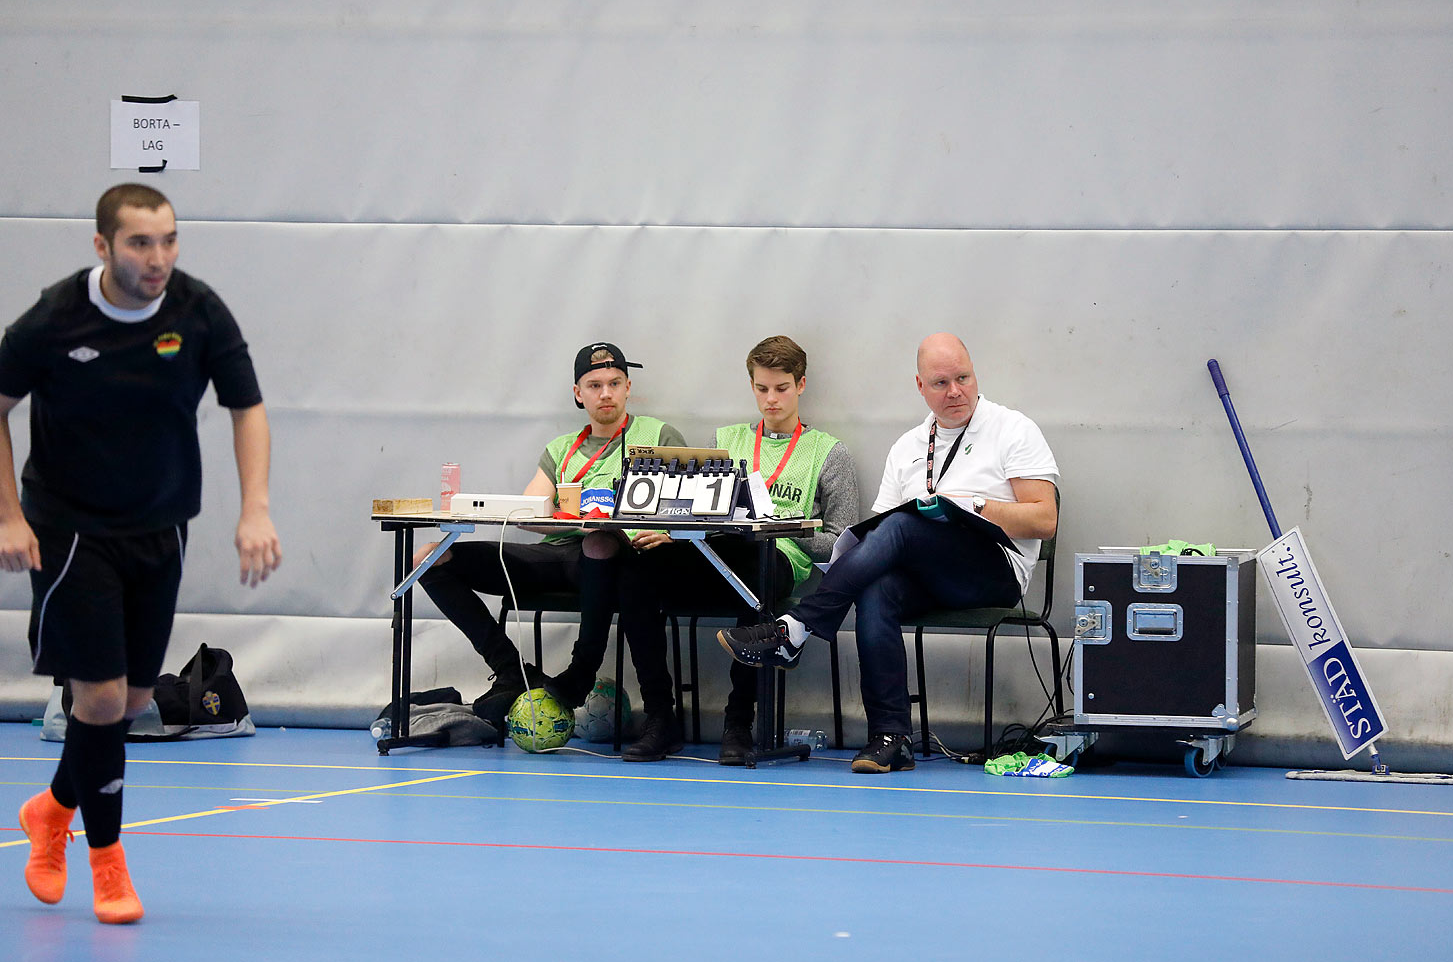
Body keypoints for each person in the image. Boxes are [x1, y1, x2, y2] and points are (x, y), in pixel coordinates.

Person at [0, 183, 283, 923]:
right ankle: (107, 864)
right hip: (70, 531)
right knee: (95, 698)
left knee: (128, 701)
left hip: (160, 527)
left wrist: (255, 508)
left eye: (168, 240)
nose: (158, 259)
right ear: (103, 247)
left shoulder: (197, 310)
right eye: (139, 243)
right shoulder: (56, 316)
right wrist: (7, 516)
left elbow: (246, 407)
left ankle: (52, 808)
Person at [717, 332, 1058, 774]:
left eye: (963, 378)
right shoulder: (908, 446)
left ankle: (796, 628)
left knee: (902, 522)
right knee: (876, 586)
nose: (954, 391)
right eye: (940, 383)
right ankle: (890, 738)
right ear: (920, 387)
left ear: (976, 376)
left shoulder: (1012, 428)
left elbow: (1044, 519)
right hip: (926, 577)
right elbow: (874, 537)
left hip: (994, 570)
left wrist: (972, 506)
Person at [415, 342, 685, 728]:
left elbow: (686, 505)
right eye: (594, 385)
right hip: (558, 554)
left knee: (600, 541)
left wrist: (614, 527)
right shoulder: (560, 448)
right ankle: (511, 670)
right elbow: (528, 514)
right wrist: (580, 521)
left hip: (620, 561)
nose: (605, 393)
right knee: (427, 557)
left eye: (614, 383)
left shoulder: (659, 434)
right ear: (578, 393)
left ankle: (581, 670)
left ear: (628, 387)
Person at [615, 335, 858, 762]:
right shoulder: (726, 442)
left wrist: (779, 530)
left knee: (756, 566)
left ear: (801, 385)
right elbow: (699, 513)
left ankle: (738, 722)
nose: (771, 399)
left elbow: (844, 542)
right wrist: (673, 534)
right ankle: (659, 717)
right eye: (762, 389)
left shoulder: (828, 452)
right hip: (716, 555)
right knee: (637, 571)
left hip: (776, 563)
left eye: (781, 389)